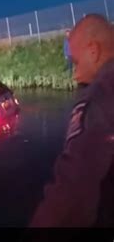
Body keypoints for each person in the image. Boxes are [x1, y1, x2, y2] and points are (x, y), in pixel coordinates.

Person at [30, 14, 114, 227]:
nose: (74, 75)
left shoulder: (100, 97)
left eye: (75, 63)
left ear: (94, 51)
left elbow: (73, 189)